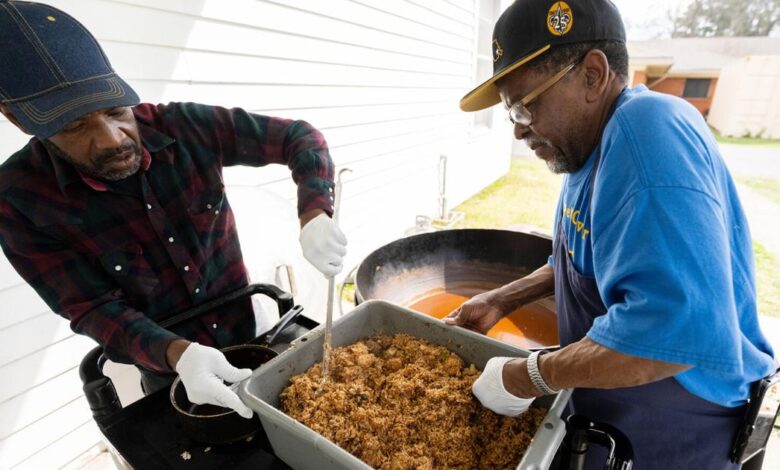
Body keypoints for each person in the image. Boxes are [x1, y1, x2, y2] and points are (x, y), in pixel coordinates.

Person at [448, 0, 776, 468]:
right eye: (511, 114)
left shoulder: (648, 133)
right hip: (618, 416)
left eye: (525, 106)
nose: (519, 131)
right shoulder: (588, 152)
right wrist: (503, 299)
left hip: (683, 436)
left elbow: (674, 329)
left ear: (593, 75)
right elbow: (584, 258)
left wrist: (526, 377)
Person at [0, 1, 347, 419]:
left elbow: (298, 137)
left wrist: (314, 213)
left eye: (115, 110)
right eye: (75, 126)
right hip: (172, 367)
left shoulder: (183, 127)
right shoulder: (18, 201)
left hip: (251, 330)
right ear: (17, 118)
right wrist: (178, 354)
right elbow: (90, 306)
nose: (112, 139)